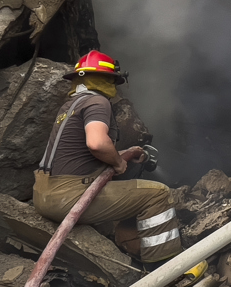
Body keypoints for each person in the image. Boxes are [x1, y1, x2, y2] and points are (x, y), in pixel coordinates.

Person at [32, 50, 182, 264]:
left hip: (43, 194)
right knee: (157, 195)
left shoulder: (70, 106)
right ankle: (165, 269)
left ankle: (131, 247)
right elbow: (97, 143)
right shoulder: (97, 102)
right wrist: (119, 162)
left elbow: (81, 153)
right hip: (67, 197)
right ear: (107, 79)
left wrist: (123, 154)